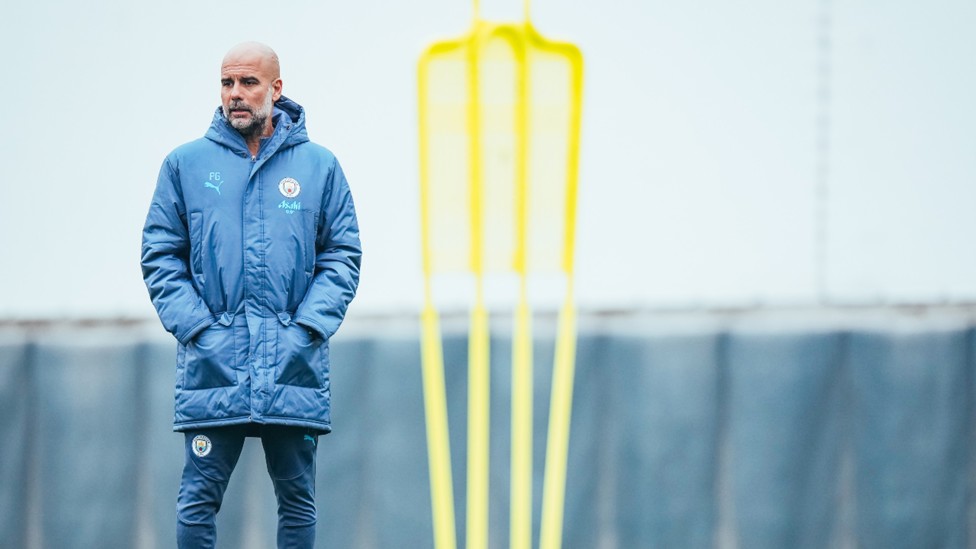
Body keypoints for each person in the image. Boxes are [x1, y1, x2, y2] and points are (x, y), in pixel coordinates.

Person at [141, 41, 362, 549]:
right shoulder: (185, 165)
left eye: (248, 83)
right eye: (226, 83)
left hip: (292, 362)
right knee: (197, 499)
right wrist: (198, 328)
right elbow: (160, 255)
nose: (235, 95)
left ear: (276, 89)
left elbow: (343, 255)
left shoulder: (319, 167)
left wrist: (306, 328)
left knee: (298, 497)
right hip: (215, 362)